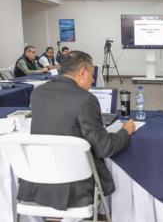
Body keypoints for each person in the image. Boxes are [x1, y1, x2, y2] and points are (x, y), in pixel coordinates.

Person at [17, 51, 136, 214]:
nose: (93, 80)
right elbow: (104, 148)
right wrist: (125, 131)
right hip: (75, 189)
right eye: (92, 74)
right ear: (83, 72)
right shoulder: (86, 99)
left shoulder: (38, 93)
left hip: (37, 185)